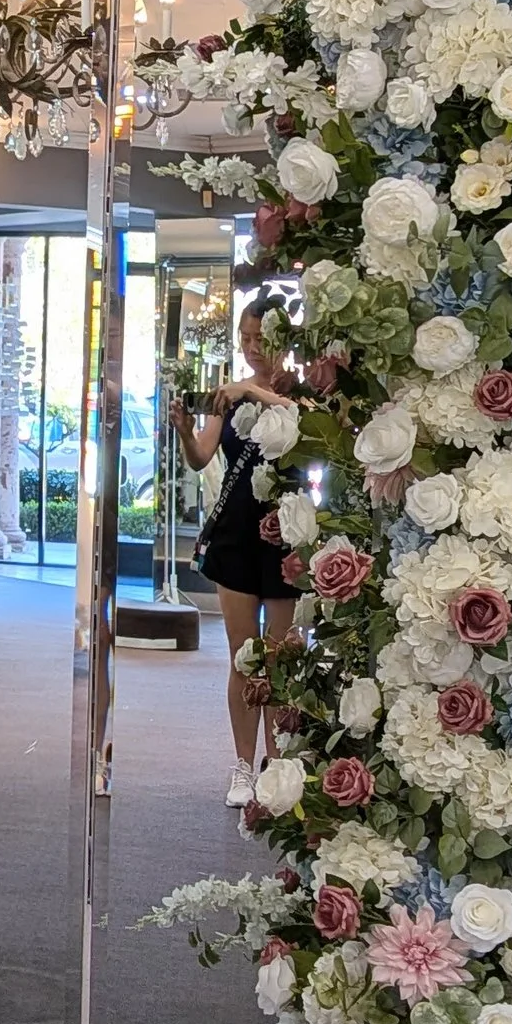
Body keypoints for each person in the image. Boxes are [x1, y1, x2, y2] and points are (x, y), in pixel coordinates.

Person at [174, 298, 303, 806]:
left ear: (281, 340)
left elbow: (307, 420)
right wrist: (186, 432)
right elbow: (202, 455)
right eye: (244, 338)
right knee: (243, 656)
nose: (250, 349)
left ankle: (278, 763)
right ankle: (244, 766)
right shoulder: (230, 394)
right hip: (235, 532)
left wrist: (253, 390)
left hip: (288, 531)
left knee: (280, 654)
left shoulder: (298, 389)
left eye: (260, 339)